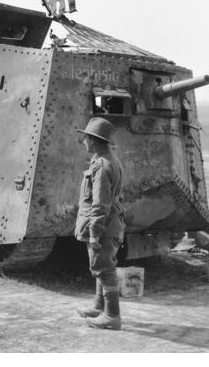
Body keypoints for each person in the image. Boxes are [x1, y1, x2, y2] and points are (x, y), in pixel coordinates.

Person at [74, 117, 125, 330]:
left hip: (103, 225)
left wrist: (94, 233)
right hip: (112, 222)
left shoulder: (102, 166)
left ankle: (112, 316)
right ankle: (99, 307)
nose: (84, 141)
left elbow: (100, 204)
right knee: (101, 266)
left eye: (87, 138)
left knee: (103, 268)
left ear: (95, 141)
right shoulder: (109, 159)